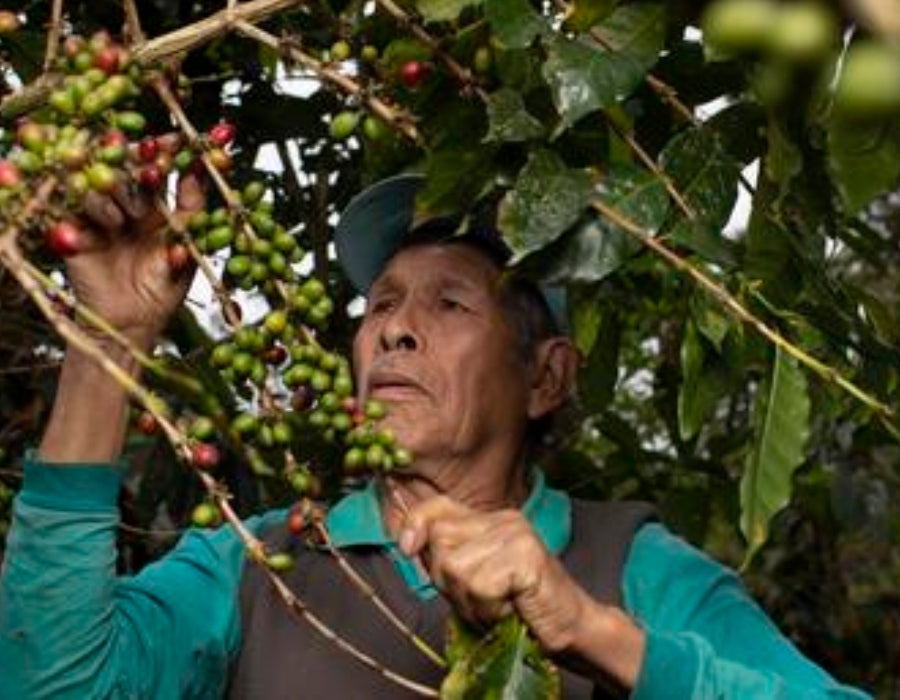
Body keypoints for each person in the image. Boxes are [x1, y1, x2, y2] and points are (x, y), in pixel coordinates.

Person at [0, 172, 871, 699]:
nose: (394, 330)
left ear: (546, 378)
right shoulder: (259, 564)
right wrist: (110, 339)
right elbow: (48, 684)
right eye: (381, 304)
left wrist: (590, 631)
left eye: (449, 303)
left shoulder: (634, 567)